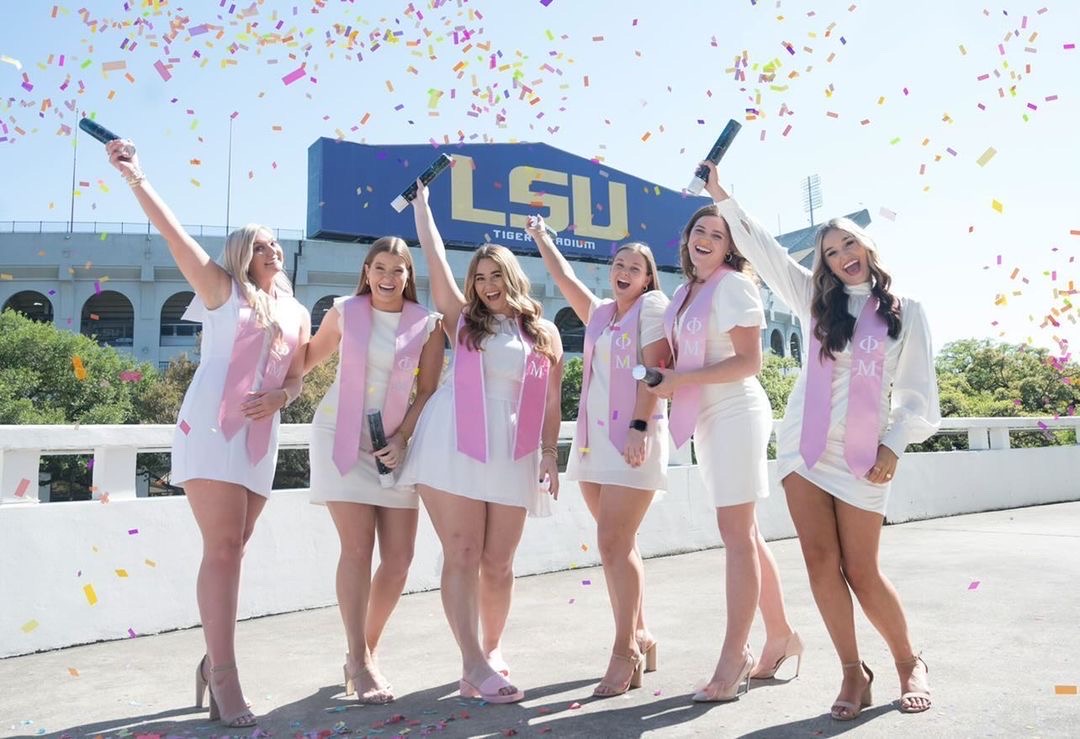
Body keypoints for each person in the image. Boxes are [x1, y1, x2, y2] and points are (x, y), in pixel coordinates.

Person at [699, 160, 940, 719]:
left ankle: (908, 661)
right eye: (829, 252)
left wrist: (894, 444)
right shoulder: (814, 300)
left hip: (862, 456)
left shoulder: (906, 312)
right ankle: (854, 672)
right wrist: (722, 196)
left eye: (847, 244)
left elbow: (917, 394)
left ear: (868, 246)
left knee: (862, 569)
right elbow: (764, 251)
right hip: (803, 449)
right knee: (818, 562)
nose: (840, 257)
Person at [107, 139, 310, 728]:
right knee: (222, 548)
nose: (274, 248)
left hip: (260, 437)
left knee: (235, 550)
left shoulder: (296, 312)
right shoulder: (223, 290)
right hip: (211, 431)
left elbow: (297, 377)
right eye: (263, 242)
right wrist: (136, 176)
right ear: (244, 253)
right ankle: (225, 678)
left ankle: (209, 660)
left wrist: (283, 396)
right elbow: (174, 235)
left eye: (277, 242)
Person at [397, 180, 563, 704]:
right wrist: (423, 207)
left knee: (499, 562)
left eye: (496, 275)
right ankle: (470, 662)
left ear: (512, 277)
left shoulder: (543, 332)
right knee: (463, 551)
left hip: (512, 446)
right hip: (455, 438)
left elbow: (553, 404)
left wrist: (549, 453)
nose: (488, 284)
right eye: (480, 277)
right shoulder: (463, 319)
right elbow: (435, 257)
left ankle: (490, 651)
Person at [645, 190, 800, 703]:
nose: (706, 240)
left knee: (736, 534)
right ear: (686, 240)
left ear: (732, 247)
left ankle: (735, 657)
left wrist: (679, 377)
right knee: (746, 535)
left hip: (736, 411)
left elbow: (748, 362)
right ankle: (782, 637)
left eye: (719, 235)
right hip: (705, 415)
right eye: (700, 232)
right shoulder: (686, 290)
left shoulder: (733, 285)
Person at [524, 217, 669, 697]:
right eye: (619, 264)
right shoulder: (604, 314)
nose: (624, 271)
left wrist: (640, 427)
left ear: (649, 277)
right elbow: (565, 279)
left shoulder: (650, 307)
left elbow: (656, 371)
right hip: (592, 442)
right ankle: (642, 634)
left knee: (613, 543)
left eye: (635, 267)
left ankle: (624, 647)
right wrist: (544, 239)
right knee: (619, 545)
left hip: (633, 438)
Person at [304, 237, 444, 704]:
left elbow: (426, 392)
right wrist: (269, 378)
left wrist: (403, 438)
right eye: (379, 267)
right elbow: (307, 357)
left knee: (400, 559)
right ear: (366, 271)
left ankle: (365, 648)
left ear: (409, 276)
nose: (387, 277)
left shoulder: (427, 324)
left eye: (398, 270)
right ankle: (360, 661)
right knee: (358, 548)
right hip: (338, 434)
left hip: (396, 442)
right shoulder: (344, 310)